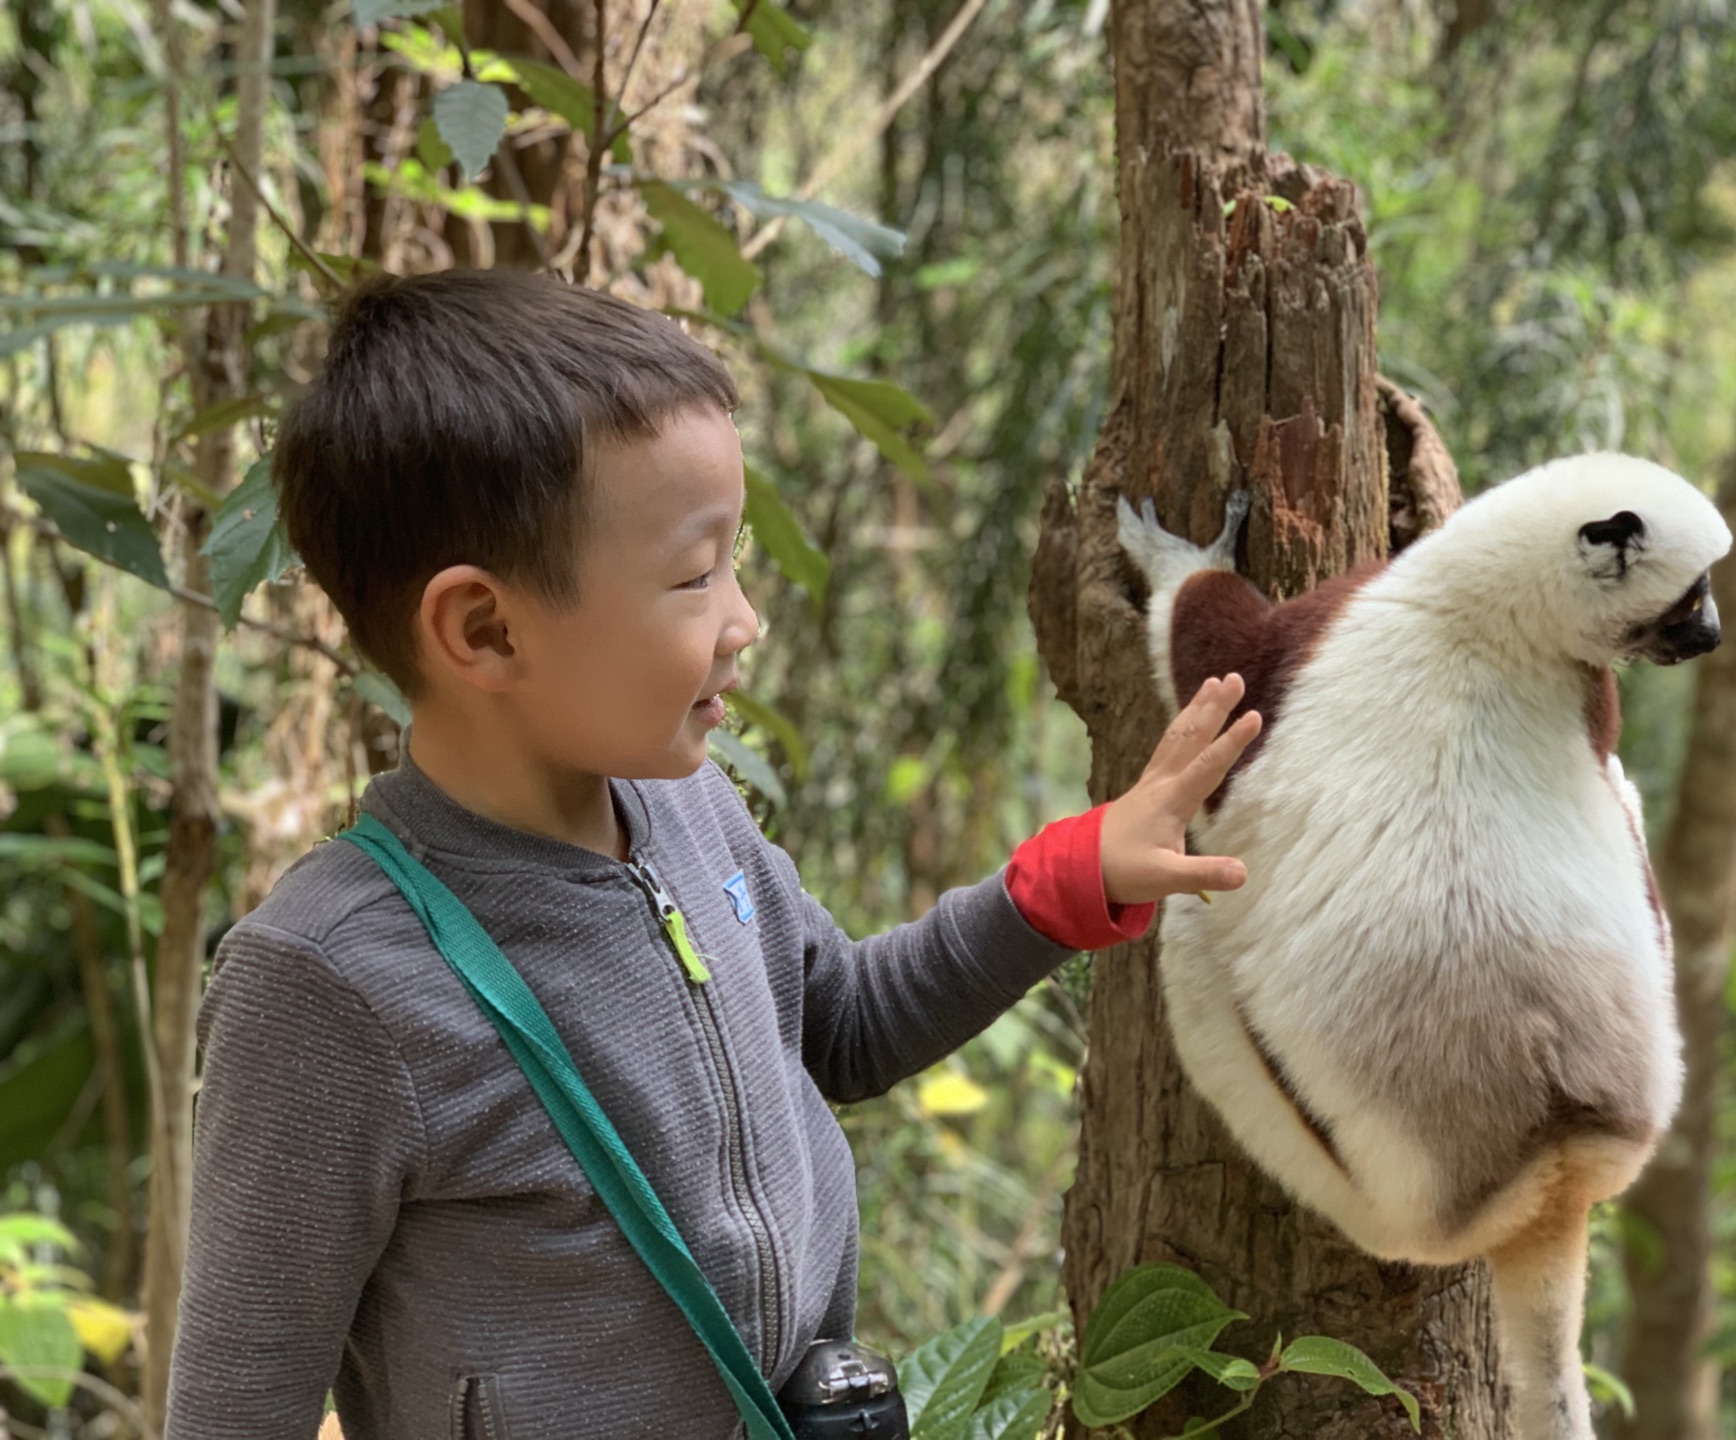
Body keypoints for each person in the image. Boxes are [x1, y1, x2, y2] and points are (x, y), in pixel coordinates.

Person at [166, 269, 1260, 1439]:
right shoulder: (328, 988)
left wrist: (1067, 880)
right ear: (485, 629)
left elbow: (840, 1024)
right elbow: (237, 1410)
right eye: (695, 576)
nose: (744, 619)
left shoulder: (686, 812)